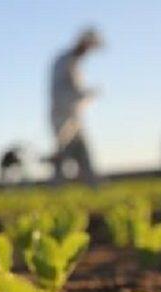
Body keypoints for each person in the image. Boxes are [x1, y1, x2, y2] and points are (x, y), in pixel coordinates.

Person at [48, 28, 102, 187]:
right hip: (63, 117)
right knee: (63, 155)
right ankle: (56, 189)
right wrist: (87, 94)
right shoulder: (65, 61)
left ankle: (93, 187)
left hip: (74, 117)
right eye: (89, 46)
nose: (89, 51)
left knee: (83, 154)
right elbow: (62, 92)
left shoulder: (74, 63)